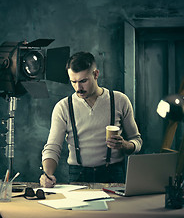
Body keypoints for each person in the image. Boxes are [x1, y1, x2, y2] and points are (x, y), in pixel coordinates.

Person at [40, 51, 142, 187]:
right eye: (73, 82)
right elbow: (52, 147)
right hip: (78, 174)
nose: (78, 88)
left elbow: (137, 141)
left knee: (118, 208)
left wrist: (124, 145)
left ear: (95, 74)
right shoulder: (63, 107)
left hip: (113, 173)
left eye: (83, 81)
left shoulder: (119, 100)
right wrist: (47, 174)